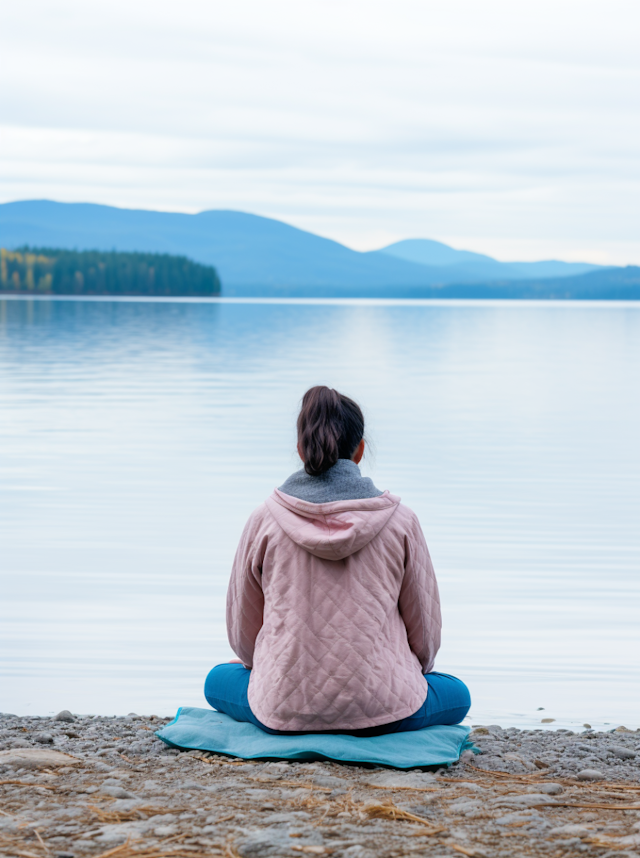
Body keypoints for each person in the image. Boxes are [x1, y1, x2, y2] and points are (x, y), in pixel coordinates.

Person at [204, 386, 470, 736]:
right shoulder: (401, 520)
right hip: (384, 709)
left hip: (284, 708)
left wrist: (258, 666)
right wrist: (407, 672)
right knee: (457, 695)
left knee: (217, 680)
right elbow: (425, 634)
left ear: (300, 449)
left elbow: (242, 632)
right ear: (359, 451)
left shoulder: (263, 519)